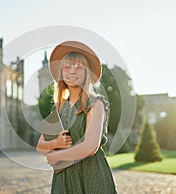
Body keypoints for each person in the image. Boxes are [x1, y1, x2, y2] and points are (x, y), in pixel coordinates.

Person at [36, 41, 118, 194]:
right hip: (64, 177)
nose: (72, 71)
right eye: (67, 66)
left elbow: (90, 147)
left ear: (87, 72)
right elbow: (40, 145)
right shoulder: (60, 108)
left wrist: (57, 156)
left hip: (90, 173)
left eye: (79, 67)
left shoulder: (95, 103)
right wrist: (56, 142)